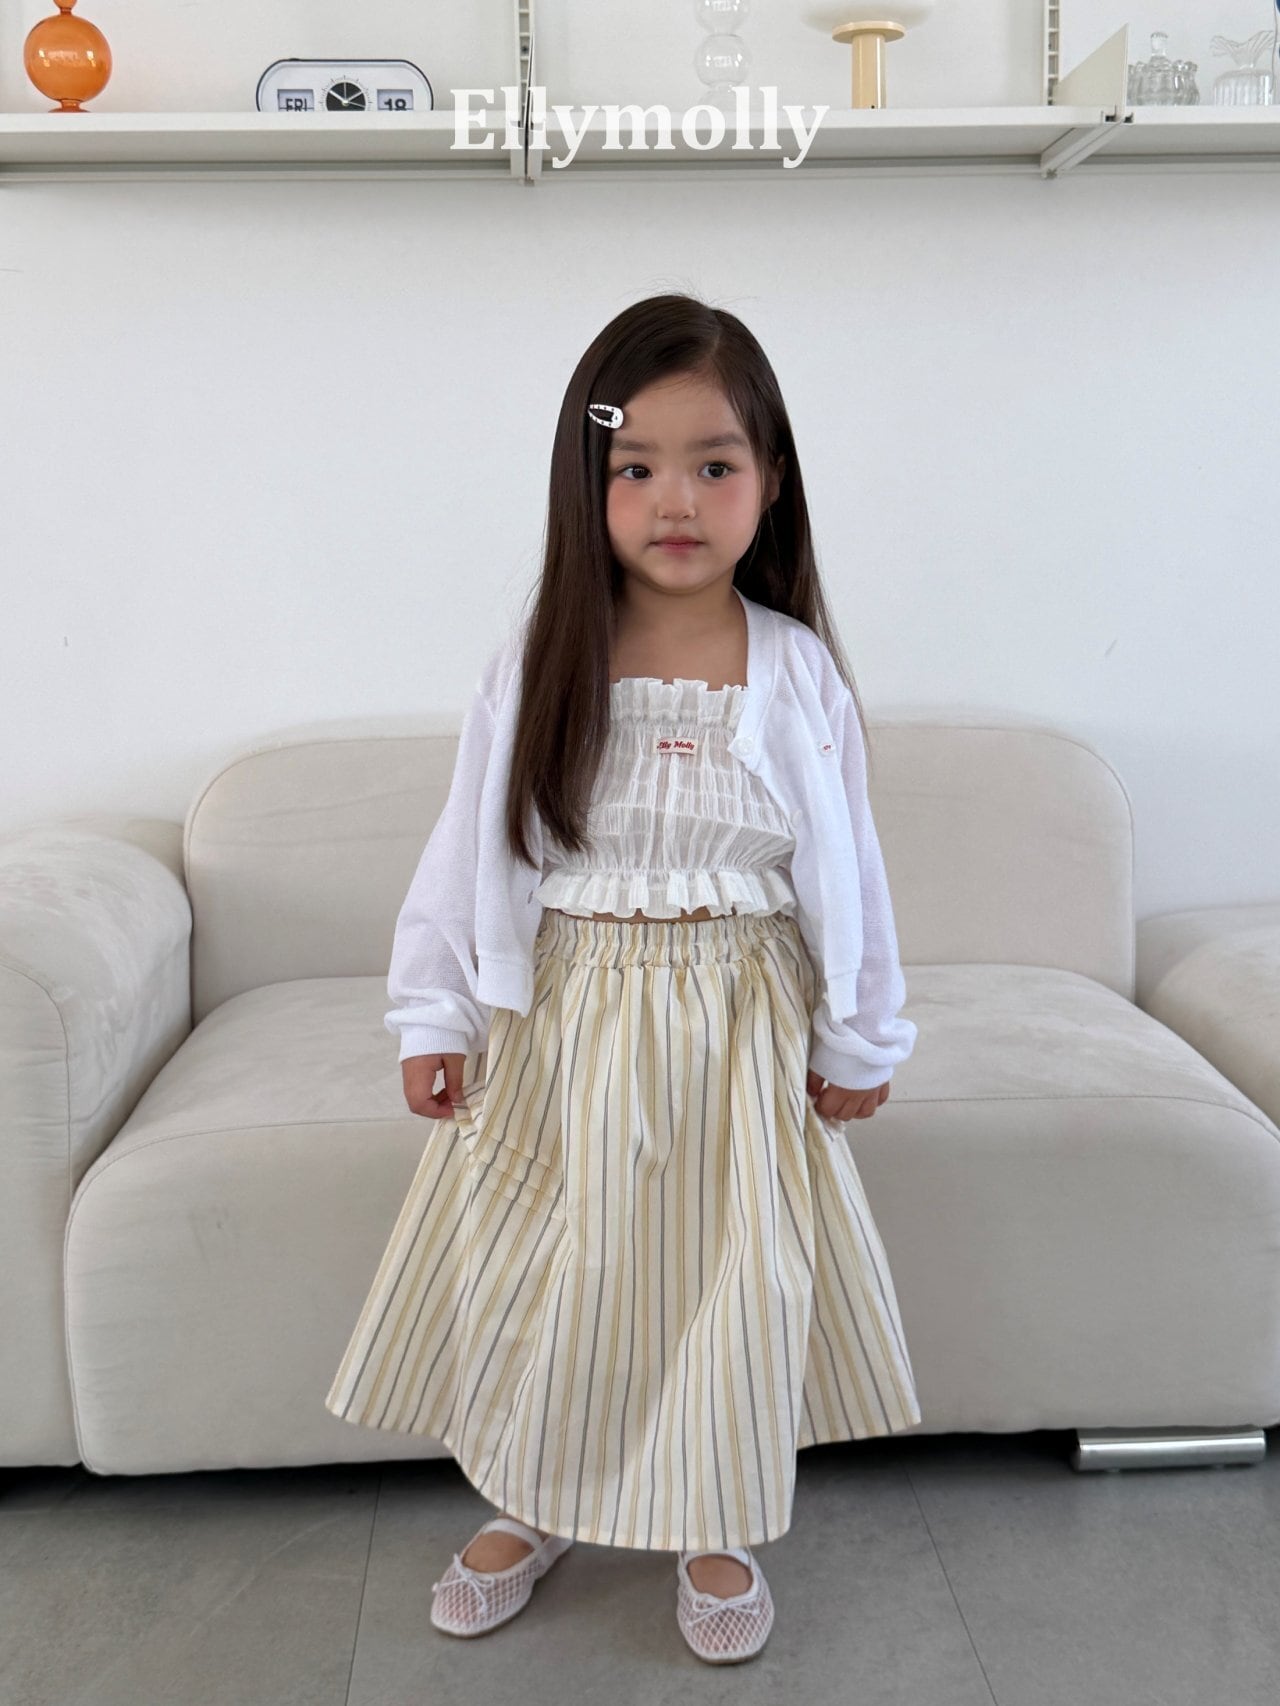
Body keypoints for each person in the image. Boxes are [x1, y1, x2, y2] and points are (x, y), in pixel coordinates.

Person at [324, 291, 922, 1664]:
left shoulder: (794, 670)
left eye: (714, 464)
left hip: (739, 1022)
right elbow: (470, 847)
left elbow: (849, 868)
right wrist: (434, 1010)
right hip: (569, 1019)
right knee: (561, 1269)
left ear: (771, 481)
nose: (676, 500)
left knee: (727, 1279)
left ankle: (712, 1516)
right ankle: (537, 1500)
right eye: (635, 466)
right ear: (585, 484)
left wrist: (859, 1034)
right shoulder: (542, 659)